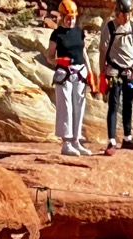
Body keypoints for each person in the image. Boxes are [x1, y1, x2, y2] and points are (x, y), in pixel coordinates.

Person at [97, 0, 133, 156]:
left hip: (130, 73)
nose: (127, 17)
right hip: (114, 72)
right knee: (114, 104)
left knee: (128, 103)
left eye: (129, 14)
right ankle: (112, 141)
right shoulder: (109, 28)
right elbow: (103, 51)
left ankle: (127, 138)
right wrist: (102, 73)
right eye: (124, 14)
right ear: (117, 14)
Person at [46, 0, 91, 158]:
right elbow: (49, 57)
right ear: (63, 17)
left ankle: (76, 141)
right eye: (68, 18)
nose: (71, 21)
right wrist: (59, 61)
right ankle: (66, 143)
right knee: (66, 107)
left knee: (79, 106)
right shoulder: (56, 34)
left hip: (80, 72)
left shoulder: (79, 32)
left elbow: (84, 53)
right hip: (64, 74)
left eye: (73, 18)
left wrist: (90, 73)